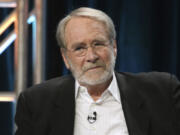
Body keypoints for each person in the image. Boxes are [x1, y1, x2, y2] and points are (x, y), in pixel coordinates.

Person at [15, 7, 180, 135]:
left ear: (114, 47)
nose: (91, 56)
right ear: (65, 57)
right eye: (80, 48)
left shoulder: (162, 92)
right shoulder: (36, 103)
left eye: (98, 44)